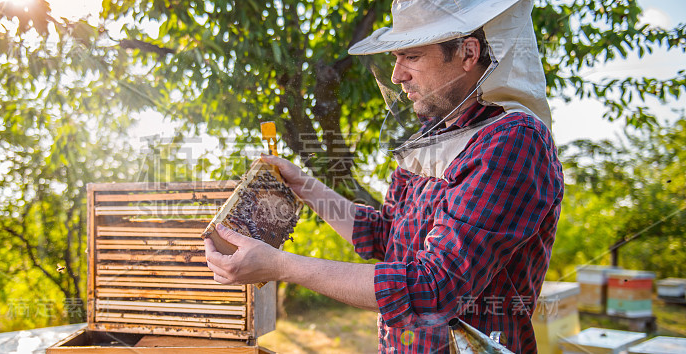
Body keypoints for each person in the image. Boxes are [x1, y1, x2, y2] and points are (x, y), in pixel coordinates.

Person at [203, 0, 564, 352]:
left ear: (468, 54)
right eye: (396, 58)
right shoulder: (428, 143)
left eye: (413, 56)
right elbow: (385, 235)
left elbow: (434, 289)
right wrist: (304, 186)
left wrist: (281, 265)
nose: (397, 75)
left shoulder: (514, 140)